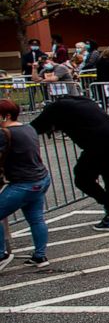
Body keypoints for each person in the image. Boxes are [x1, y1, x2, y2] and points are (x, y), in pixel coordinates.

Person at [31, 96, 109, 232]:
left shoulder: (55, 110)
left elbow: (32, 128)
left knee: (82, 178)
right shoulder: (80, 101)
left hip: (101, 143)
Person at [0, 100, 51, 269]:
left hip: (24, 183)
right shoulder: (28, 128)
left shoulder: (5, 133)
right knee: (36, 218)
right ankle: (40, 256)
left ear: (6, 116)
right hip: (40, 179)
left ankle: (1, 255)